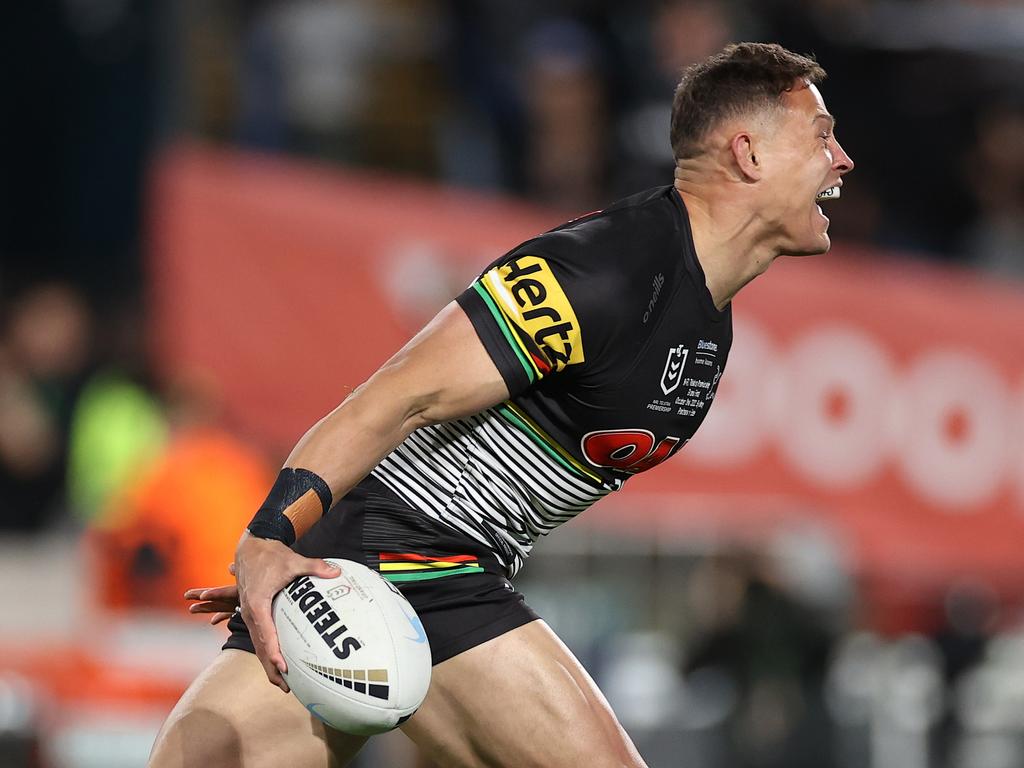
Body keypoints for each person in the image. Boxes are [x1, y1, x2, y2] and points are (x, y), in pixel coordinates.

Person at [148, 41, 853, 768]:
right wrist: (269, 538)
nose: (842, 160)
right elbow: (396, 396)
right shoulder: (602, 270)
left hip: (449, 576)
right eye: (822, 135)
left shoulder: (707, 316)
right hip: (379, 561)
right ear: (749, 154)